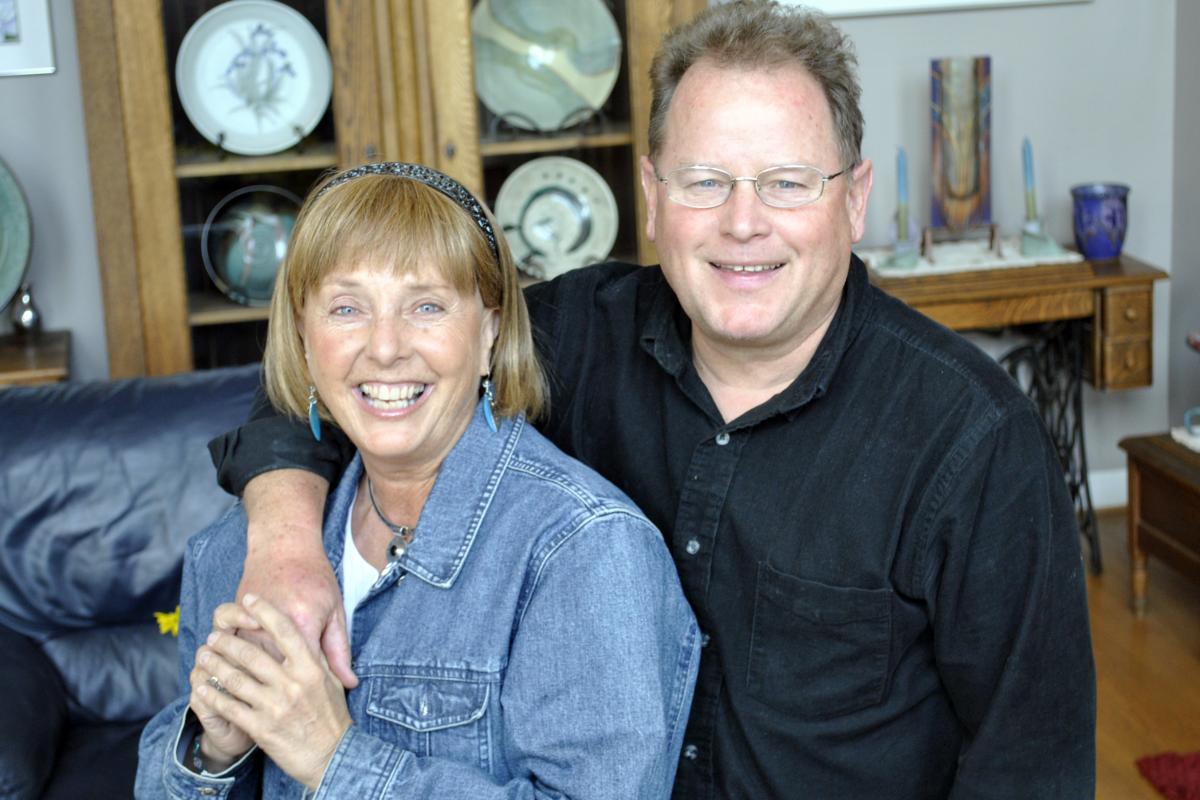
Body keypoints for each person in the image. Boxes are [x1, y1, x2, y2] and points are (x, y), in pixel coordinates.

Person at [208, 2, 1096, 797]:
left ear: (854, 199)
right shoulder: (572, 335)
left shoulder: (973, 439)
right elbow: (360, 370)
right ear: (653, 195)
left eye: (788, 181)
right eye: (705, 180)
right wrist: (287, 545)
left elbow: (1032, 763)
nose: (743, 222)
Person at [136, 162, 701, 798]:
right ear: (302, 334)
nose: (384, 348)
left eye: (426, 306)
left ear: (489, 332)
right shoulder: (238, 553)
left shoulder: (584, 552)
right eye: (347, 308)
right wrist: (213, 750)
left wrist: (332, 758)